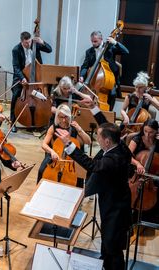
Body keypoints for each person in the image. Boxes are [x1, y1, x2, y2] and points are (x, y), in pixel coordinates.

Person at [55, 98, 132, 270]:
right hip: (114, 203)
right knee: (108, 242)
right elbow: (107, 127)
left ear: (106, 141)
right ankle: (105, 264)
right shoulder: (118, 144)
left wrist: (69, 145)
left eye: (98, 137)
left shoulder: (112, 160)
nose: (96, 139)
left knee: (113, 248)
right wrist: (94, 108)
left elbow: (92, 165)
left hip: (116, 208)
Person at [37, 104, 91, 183]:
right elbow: (44, 144)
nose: (63, 120)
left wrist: (80, 130)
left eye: (66, 117)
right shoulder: (53, 127)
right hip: (55, 156)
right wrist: (52, 152)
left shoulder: (74, 128)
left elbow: (88, 142)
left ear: (69, 116)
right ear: (57, 116)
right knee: (41, 170)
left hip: (71, 159)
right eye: (61, 117)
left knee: (79, 179)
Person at [10, 31, 52, 132]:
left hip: (37, 76)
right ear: (21, 41)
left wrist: (42, 41)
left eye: (29, 42)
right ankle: (13, 122)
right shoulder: (16, 49)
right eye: (26, 43)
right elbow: (16, 67)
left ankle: (45, 118)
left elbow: (49, 50)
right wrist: (22, 78)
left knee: (49, 87)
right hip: (22, 76)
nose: (28, 44)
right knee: (16, 95)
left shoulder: (35, 44)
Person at [79, 31, 129, 110]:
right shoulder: (89, 51)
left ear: (101, 39)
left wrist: (115, 42)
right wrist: (81, 75)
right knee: (82, 91)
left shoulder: (110, 48)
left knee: (112, 94)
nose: (93, 43)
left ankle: (109, 112)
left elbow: (126, 52)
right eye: (92, 41)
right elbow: (85, 66)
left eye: (95, 41)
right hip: (95, 79)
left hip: (109, 78)